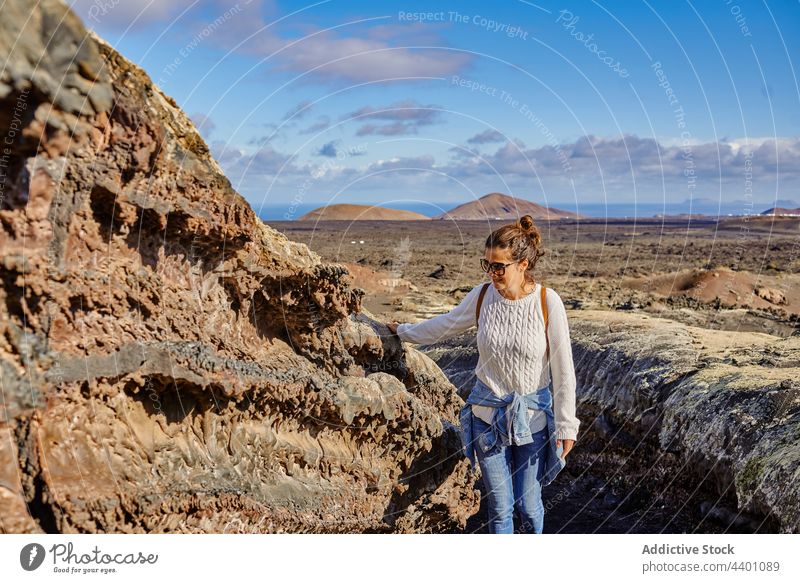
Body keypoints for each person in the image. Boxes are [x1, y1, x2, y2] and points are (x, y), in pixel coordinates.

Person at [386, 214, 579, 534]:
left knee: (528, 506)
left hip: (533, 420)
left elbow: (564, 370)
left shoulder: (548, 302)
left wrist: (566, 424)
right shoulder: (481, 296)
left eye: (499, 266)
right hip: (486, 417)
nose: (492, 272)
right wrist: (402, 331)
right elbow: (444, 325)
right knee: (501, 509)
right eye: (487, 264)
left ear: (523, 264)